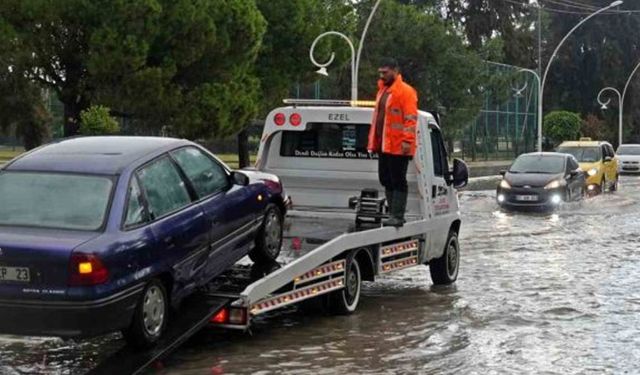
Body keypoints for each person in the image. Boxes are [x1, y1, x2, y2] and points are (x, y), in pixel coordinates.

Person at [367, 58, 418, 227]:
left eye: (385, 72)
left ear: (395, 71)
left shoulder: (406, 92)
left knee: (398, 179)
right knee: (385, 178)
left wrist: (407, 141)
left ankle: (397, 215)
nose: (382, 75)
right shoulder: (383, 91)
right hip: (384, 144)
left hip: (398, 146)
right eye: (380, 72)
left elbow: (410, 119)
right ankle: (392, 213)